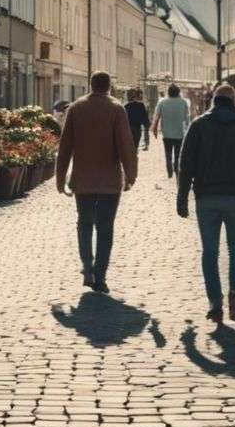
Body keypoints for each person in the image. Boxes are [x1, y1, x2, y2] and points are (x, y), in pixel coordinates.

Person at [177, 83, 235, 323]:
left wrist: (182, 197)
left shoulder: (198, 126)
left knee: (210, 252)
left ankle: (215, 301)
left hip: (207, 198)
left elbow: (185, 165)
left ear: (213, 101)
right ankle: (234, 292)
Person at [56, 71, 138, 293]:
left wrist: (60, 178)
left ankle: (87, 266)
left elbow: (65, 146)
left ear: (90, 85)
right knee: (105, 227)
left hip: (82, 179)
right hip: (110, 182)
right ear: (109, 86)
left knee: (84, 222)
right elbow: (126, 145)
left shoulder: (76, 108)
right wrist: (130, 175)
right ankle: (100, 276)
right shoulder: (116, 108)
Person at [152, 84, 191, 178]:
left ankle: (169, 170)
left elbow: (157, 116)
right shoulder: (183, 102)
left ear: (168, 92)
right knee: (178, 154)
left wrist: (154, 128)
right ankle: (177, 169)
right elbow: (187, 118)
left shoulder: (162, 102)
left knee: (168, 153)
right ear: (178, 92)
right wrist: (187, 130)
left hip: (167, 133)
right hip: (179, 133)